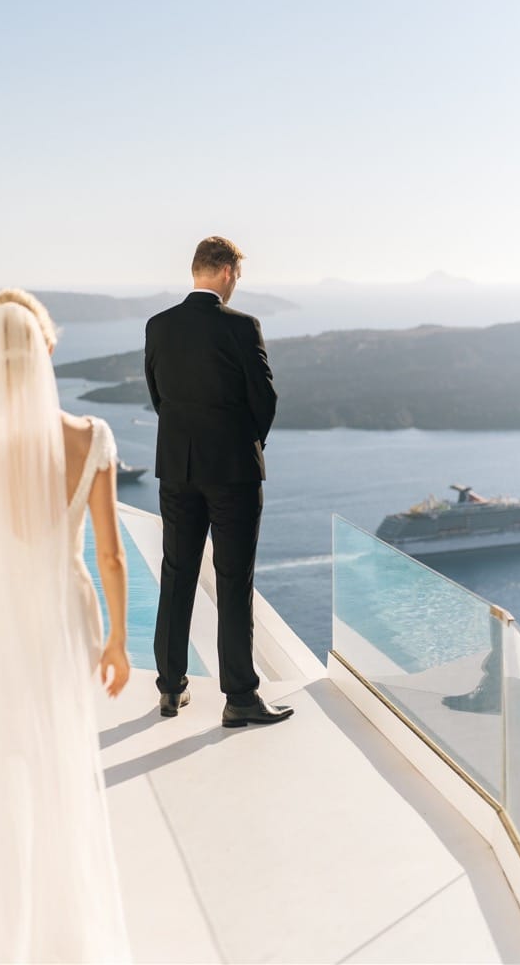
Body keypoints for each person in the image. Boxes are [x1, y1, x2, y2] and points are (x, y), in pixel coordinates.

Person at [0, 288, 131, 963]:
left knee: (4, 767)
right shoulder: (92, 438)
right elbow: (108, 554)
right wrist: (118, 640)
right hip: (67, 619)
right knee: (64, 766)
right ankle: (72, 941)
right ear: (48, 348)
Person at [144, 237, 294, 728]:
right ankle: (240, 698)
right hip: (232, 471)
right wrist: (246, 443)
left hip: (178, 469)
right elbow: (264, 399)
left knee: (177, 573)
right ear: (227, 272)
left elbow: (159, 395)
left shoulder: (158, 325)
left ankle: (170, 689)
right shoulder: (242, 326)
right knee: (233, 581)